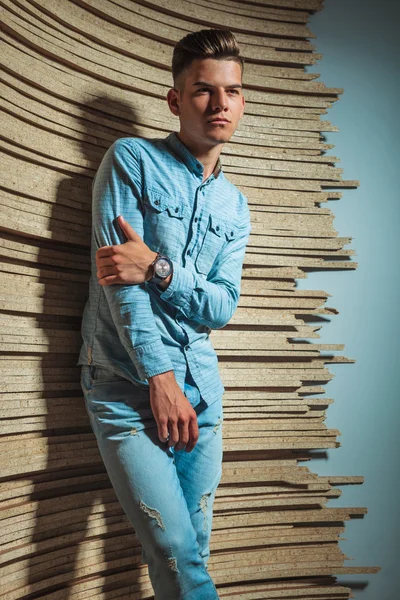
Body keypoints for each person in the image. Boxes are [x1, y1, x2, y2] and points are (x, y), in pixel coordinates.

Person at [78, 28, 251, 600]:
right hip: (127, 385)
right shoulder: (132, 160)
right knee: (174, 552)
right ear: (176, 99)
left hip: (203, 390)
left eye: (232, 91)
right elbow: (116, 288)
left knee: (195, 548)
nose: (220, 104)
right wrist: (160, 378)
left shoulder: (236, 204)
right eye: (204, 90)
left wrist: (158, 267)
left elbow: (222, 305)